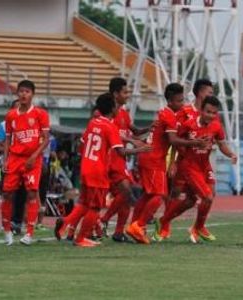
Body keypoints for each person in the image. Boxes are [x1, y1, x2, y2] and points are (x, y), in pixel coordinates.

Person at [54, 92, 150, 247]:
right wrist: (141, 149)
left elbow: (83, 142)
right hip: (97, 171)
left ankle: (65, 223)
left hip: (86, 167)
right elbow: (120, 151)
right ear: (113, 108)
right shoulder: (110, 126)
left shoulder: (93, 123)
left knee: (84, 203)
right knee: (95, 207)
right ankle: (80, 239)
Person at [126, 83, 208, 244]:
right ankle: (139, 225)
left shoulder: (167, 114)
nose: (182, 103)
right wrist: (195, 143)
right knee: (159, 195)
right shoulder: (169, 115)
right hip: (153, 159)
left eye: (182, 100)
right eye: (178, 101)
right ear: (170, 101)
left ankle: (134, 227)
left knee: (148, 195)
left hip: (148, 157)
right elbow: (173, 140)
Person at [154, 96, 237, 243]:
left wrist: (231, 154)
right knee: (207, 197)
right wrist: (174, 161)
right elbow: (175, 142)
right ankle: (198, 227)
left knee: (191, 201)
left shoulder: (216, 126)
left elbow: (222, 144)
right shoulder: (189, 125)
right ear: (201, 111)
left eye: (214, 113)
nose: (211, 115)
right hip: (190, 166)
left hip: (205, 165)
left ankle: (163, 220)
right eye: (208, 112)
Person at [1, 80, 50, 246]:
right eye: (21, 91)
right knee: (7, 193)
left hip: (33, 159)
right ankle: (7, 230)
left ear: (32, 94)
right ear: (17, 94)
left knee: (31, 193)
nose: (23, 94)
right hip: (15, 158)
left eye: (27, 91)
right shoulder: (11, 115)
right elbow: (7, 139)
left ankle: (29, 233)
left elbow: (46, 139)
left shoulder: (40, 114)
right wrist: (5, 159)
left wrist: (34, 156)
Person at [100, 77, 148, 243]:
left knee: (125, 197)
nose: (128, 95)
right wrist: (132, 142)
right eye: (125, 92)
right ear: (115, 94)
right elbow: (109, 134)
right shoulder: (105, 113)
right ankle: (103, 220)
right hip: (110, 158)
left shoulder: (124, 114)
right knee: (126, 192)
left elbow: (134, 131)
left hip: (121, 159)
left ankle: (118, 232)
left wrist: (151, 128)